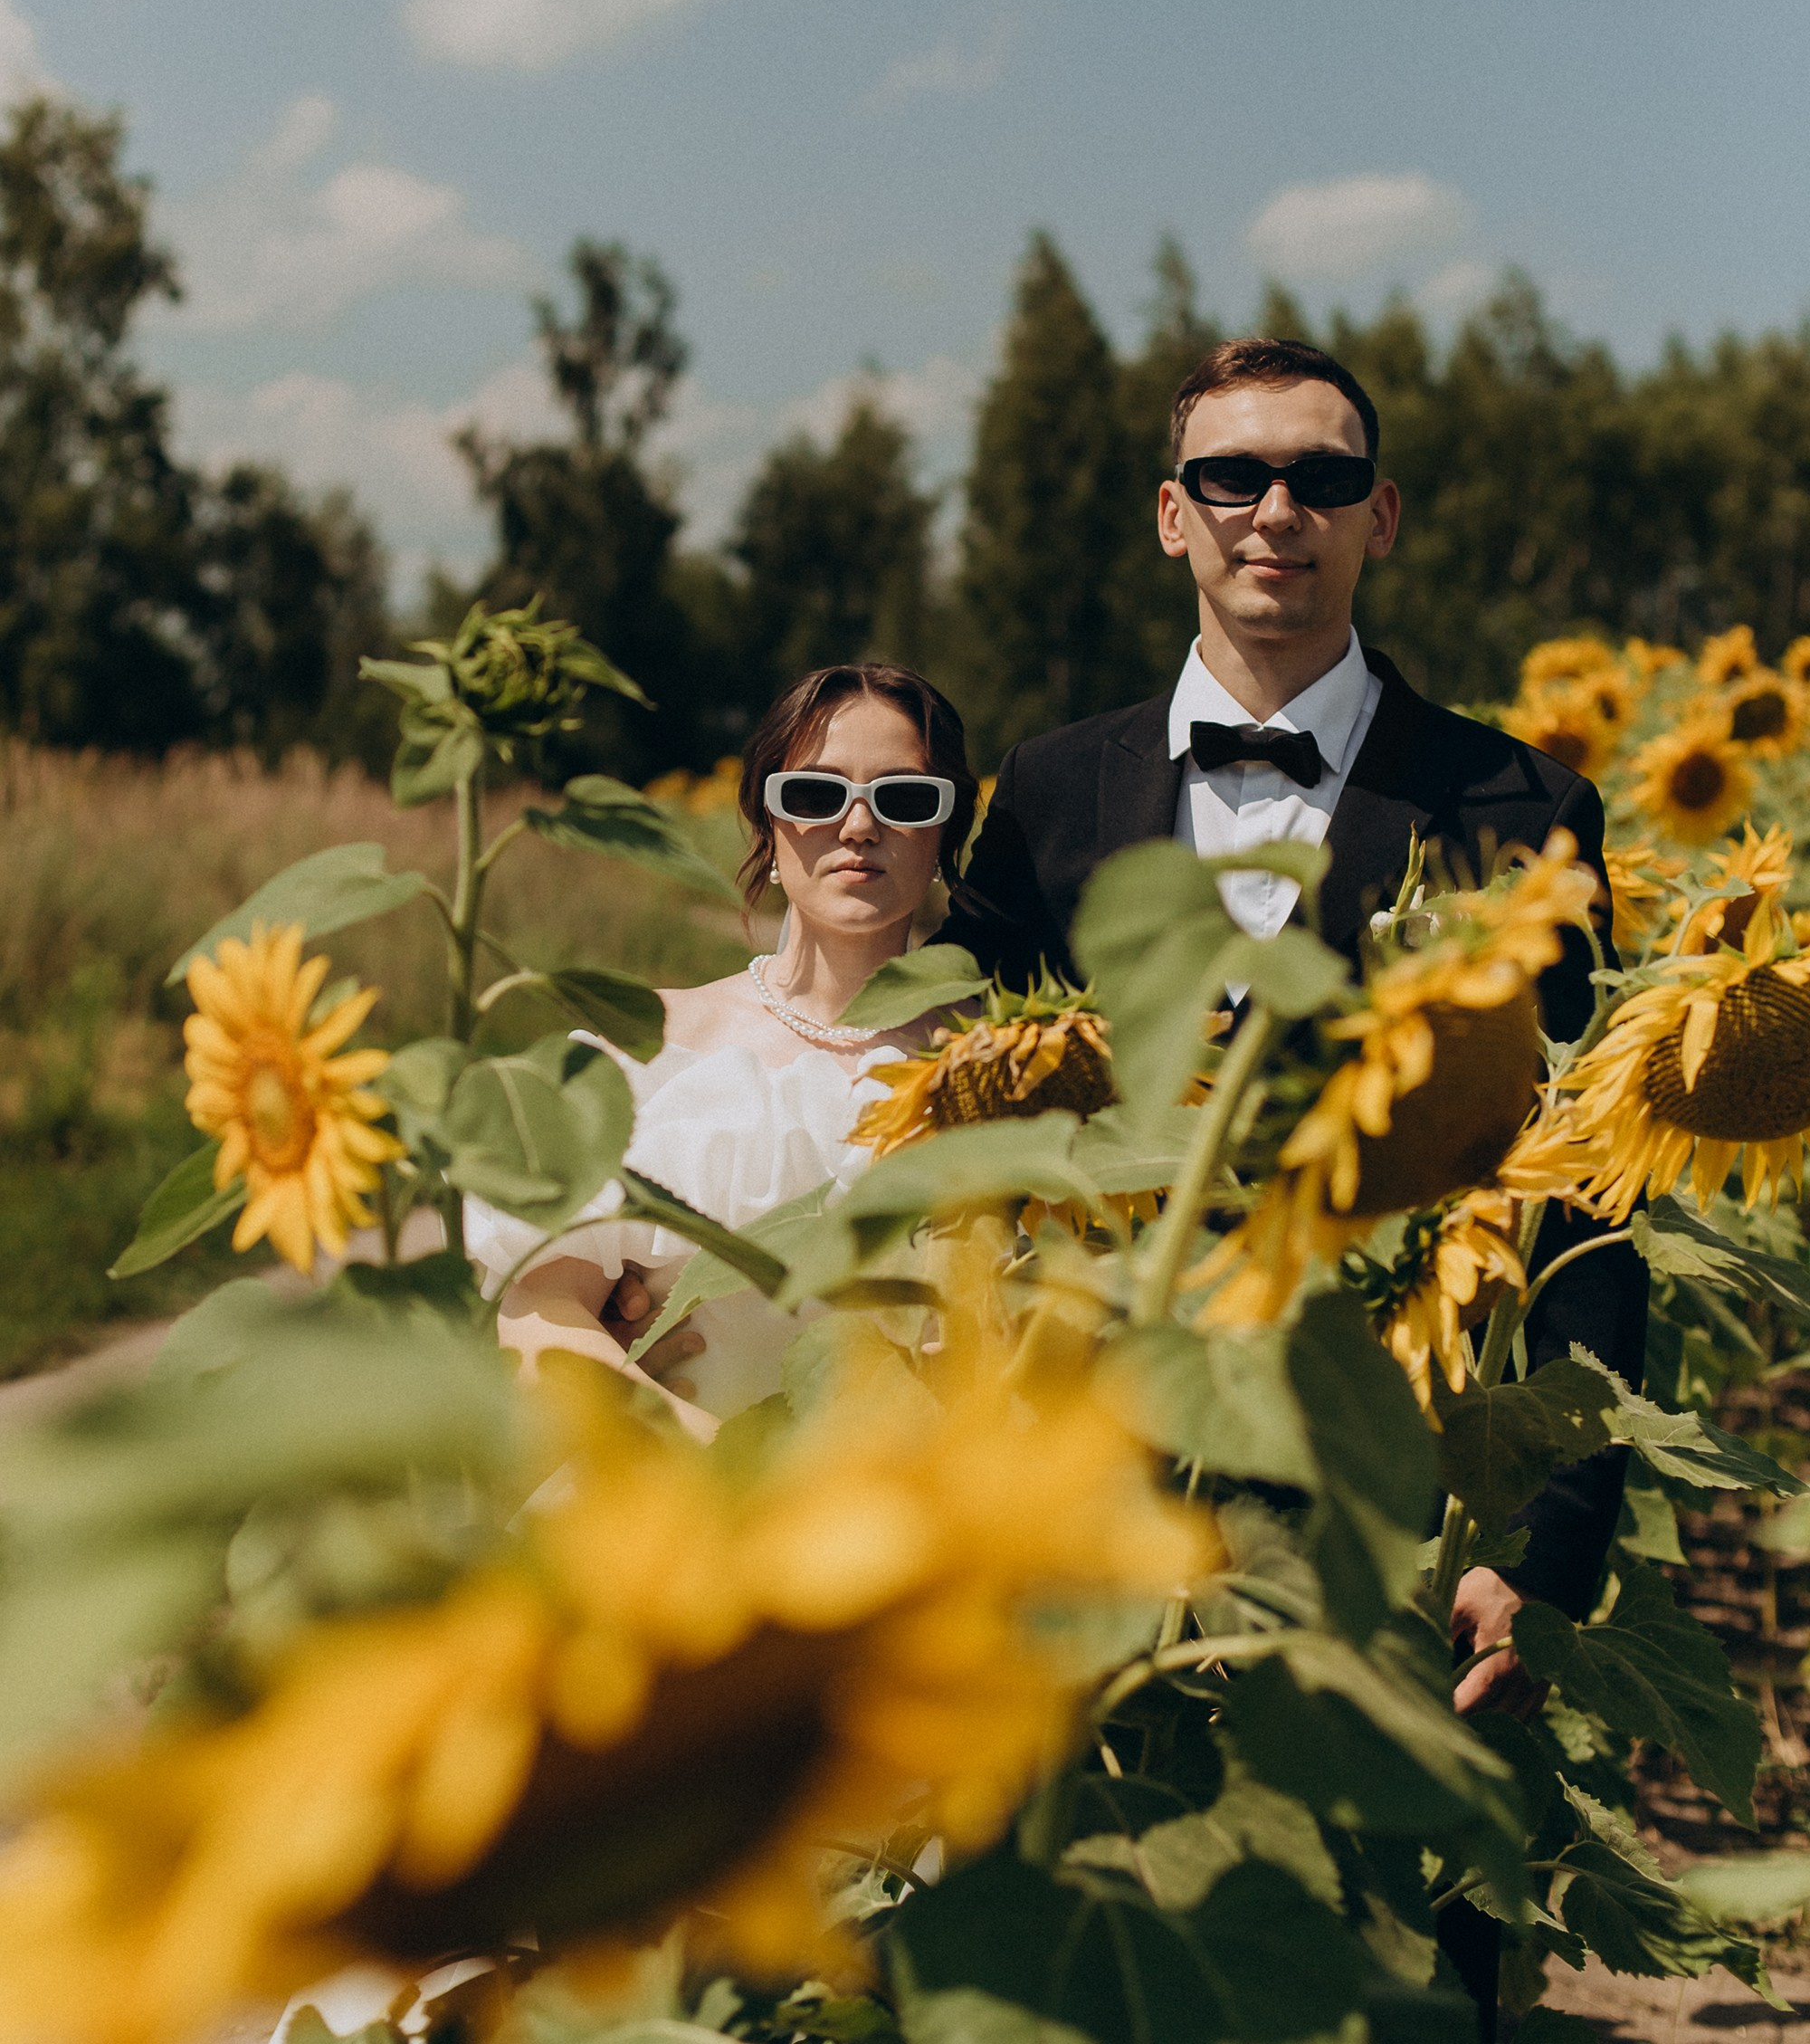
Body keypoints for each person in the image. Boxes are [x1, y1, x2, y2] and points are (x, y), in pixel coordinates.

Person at [938, 333, 1645, 2036]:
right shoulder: (1046, 798)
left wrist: (1548, 1549)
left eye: (1322, 478)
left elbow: (1592, 1197)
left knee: (1399, 1976)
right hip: (1099, 1502)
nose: (1279, 511)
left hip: (1398, 1512)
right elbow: (955, 1118)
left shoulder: (1518, 805)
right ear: (1170, 519)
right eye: (1235, 478)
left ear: (1380, 517)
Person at [469, 662, 977, 1437]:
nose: (859, 826)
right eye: (815, 794)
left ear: (944, 834)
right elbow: (539, 1318)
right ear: (766, 824)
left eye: (905, 799)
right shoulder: (649, 1051)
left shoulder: (998, 1069)